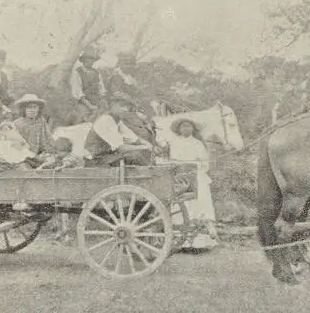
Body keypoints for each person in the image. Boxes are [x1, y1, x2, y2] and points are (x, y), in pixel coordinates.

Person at [166, 117, 218, 250]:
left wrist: (196, 166)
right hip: (181, 178)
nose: (186, 129)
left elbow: (205, 164)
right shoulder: (175, 143)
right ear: (179, 129)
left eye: (189, 126)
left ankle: (201, 241)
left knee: (201, 202)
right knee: (183, 204)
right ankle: (182, 240)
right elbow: (173, 161)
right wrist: (183, 166)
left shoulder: (198, 144)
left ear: (193, 129)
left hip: (198, 176)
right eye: (183, 126)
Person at [83, 92, 158, 166]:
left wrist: (149, 145)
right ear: (112, 105)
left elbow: (134, 138)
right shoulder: (106, 120)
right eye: (122, 105)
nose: (125, 109)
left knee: (140, 154)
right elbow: (122, 148)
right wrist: (146, 147)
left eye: (127, 107)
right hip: (95, 160)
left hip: (107, 157)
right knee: (135, 156)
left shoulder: (117, 121)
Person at [12, 94, 54, 163]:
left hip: (39, 156)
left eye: (35, 107)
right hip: (23, 158)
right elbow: (18, 147)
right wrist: (35, 157)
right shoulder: (17, 124)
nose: (32, 110)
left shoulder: (41, 122)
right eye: (29, 107)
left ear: (38, 109)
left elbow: (48, 139)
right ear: (24, 109)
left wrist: (48, 153)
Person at [70, 46, 106, 112]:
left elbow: (101, 89)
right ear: (83, 60)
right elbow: (78, 92)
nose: (91, 61)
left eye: (92, 59)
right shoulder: (77, 73)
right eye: (88, 59)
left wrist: (100, 101)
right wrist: (90, 105)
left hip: (97, 101)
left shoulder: (96, 72)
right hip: (83, 102)